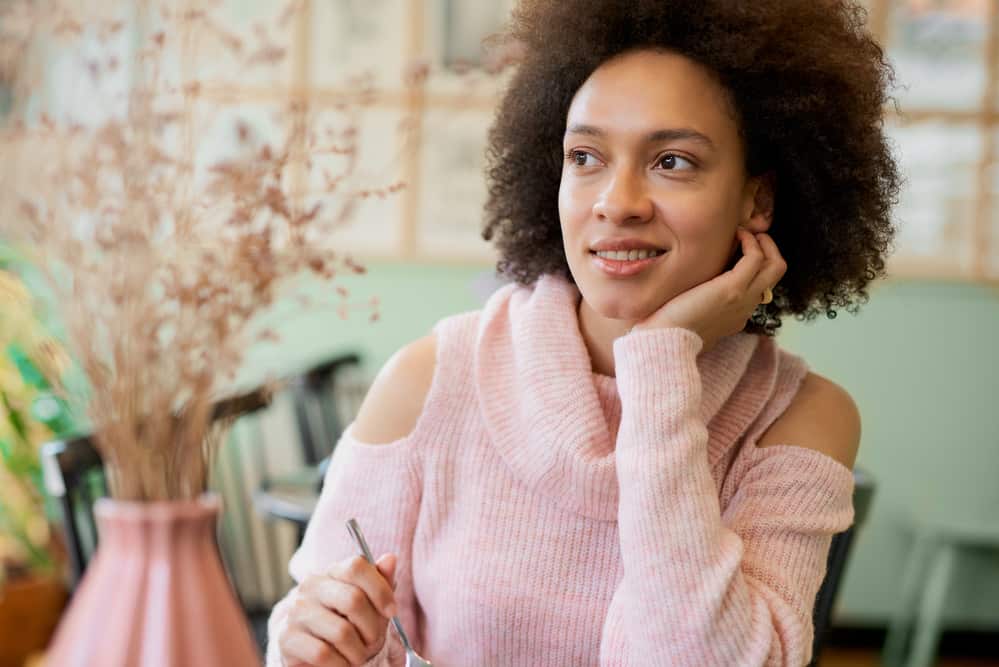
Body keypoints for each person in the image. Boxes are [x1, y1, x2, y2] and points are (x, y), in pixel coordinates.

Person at [268, 0, 899, 664]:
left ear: (757, 199)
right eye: (585, 155)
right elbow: (312, 629)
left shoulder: (800, 419)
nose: (616, 201)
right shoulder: (431, 377)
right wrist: (313, 639)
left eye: (673, 161)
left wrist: (659, 363)